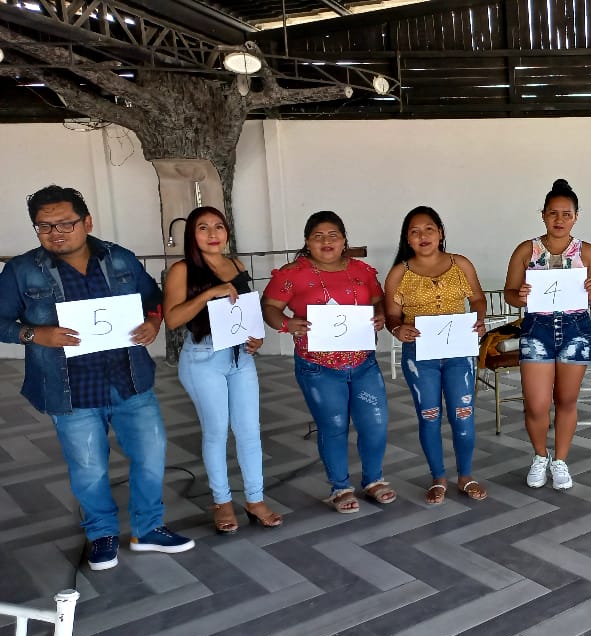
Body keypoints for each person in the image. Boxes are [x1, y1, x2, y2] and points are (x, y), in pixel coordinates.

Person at [0, 185, 194, 570]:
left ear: (87, 222)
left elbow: (152, 299)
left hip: (129, 380)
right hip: (70, 388)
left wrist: (153, 322)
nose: (56, 233)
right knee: (88, 468)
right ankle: (101, 533)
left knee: (151, 455)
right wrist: (35, 334)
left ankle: (148, 529)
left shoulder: (119, 258)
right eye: (44, 226)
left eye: (66, 223)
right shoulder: (22, 271)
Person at [261, 211, 394, 514]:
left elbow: (378, 300)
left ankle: (373, 480)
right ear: (307, 242)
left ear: (344, 240)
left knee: (375, 423)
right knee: (333, 426)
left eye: (333, 235)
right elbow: (269, 306)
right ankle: (340, 487)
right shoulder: (292, 274)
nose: (326, 241)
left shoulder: (362, 270)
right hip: (318, 367)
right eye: (317, 236)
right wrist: (286, 324)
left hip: (363, 362)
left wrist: (380, 315)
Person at [163, 206, 281, 534]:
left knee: (249, 431)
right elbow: (172, 319)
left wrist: (257, 337)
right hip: (203, 358)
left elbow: (246, 313)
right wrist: (208, 294)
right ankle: (222, 501)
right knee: (216, 432)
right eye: (203, 227)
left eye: (219, 226)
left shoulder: (237, 265)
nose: (213, 234)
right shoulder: (183, 270)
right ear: (192, 234)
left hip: (240, 357)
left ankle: (255, 499)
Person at [503, 179, 591, 490]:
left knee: (566, 400)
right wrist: (519, 296)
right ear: (543, 215)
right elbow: (510, 293)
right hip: (537, 329)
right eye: (553, 213)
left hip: (576, 329)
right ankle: (540, 455)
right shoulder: (527, 250)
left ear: (576, 217)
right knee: (536, 404)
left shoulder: (587, 252)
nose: (559, 220)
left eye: (566, 214)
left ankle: (560, 460)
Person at [384, 206, 489, 504]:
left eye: (429, 229)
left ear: (440, 232)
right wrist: (397, 329)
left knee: (463, 414)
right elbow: (391, 315)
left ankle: (465, 476)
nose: (423, 236)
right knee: (429, 416)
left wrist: (479, 318)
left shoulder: (460, 264)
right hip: (420, 354)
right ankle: (438, 478)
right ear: (407, 238)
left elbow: (477, 298)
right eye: (415, 231)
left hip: (459, 351)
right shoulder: (399, 273)